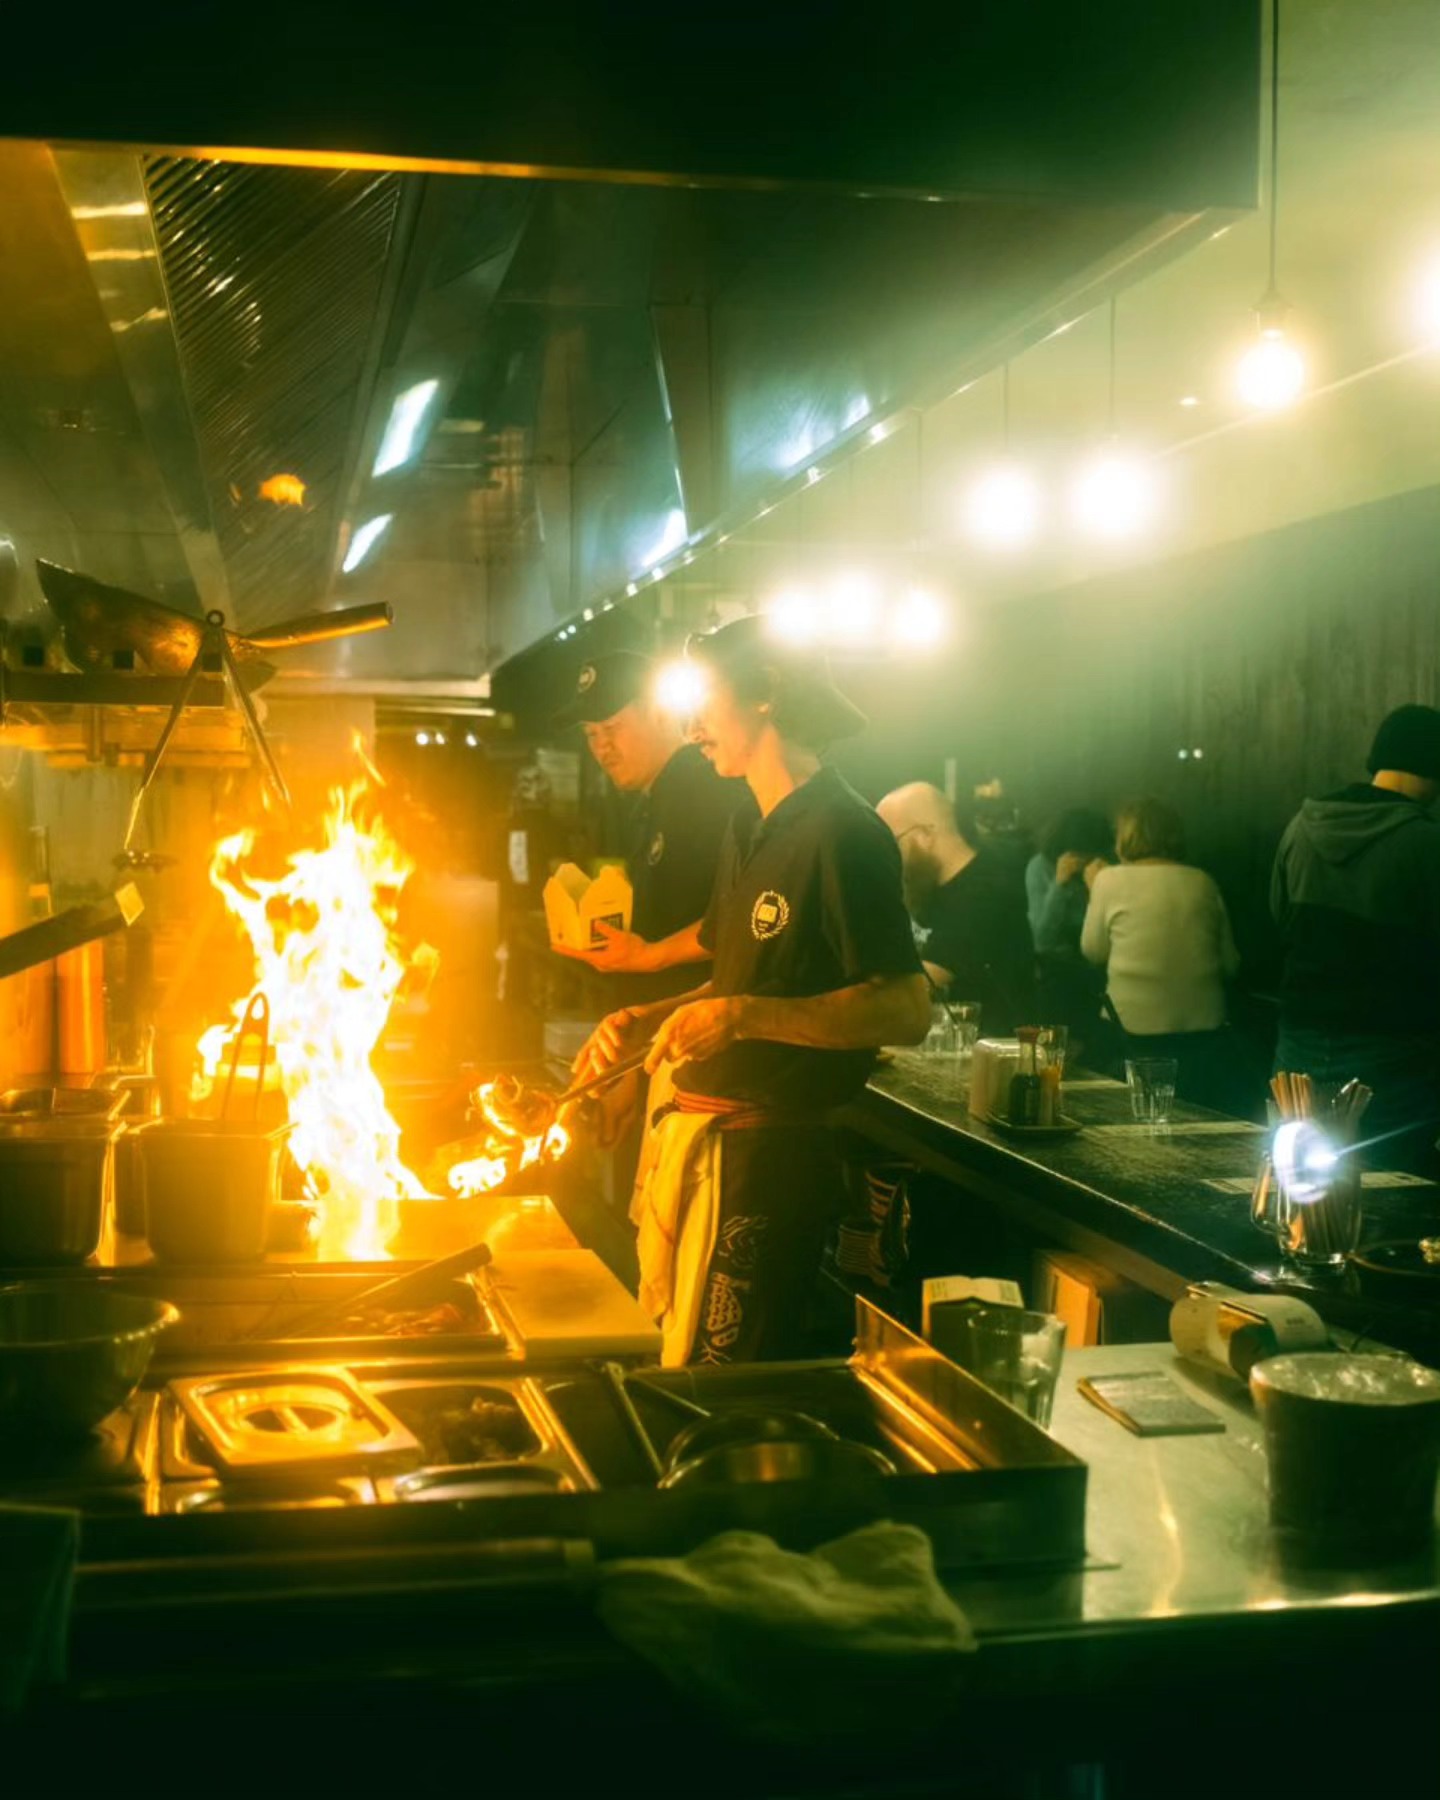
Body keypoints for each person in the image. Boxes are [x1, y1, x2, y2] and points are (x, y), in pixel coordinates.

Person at [573, 617, 930, 1365]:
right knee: (682, 1367)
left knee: (726, 1382)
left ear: (765, 692)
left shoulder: (845, 832)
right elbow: (739, 978)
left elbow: (905, 1007)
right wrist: (646, 1017)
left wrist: (741, 1017)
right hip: (706, 1146)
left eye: (704, 701)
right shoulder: (748, 824)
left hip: (769, 1162)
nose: (691, 728)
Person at [1271, 704, 1440, 1172]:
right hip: (1395, 1053)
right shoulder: (1427, 844)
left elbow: (1281, 922)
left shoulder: (1301, 828)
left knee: (1303, 1186)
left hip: (1299, 1043)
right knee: (1394, 1185)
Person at [551, 650, 752, 1007]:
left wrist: (652, 955)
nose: (601, 746)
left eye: (612, 728)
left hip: (699, 1021)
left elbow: (744, 914)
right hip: (659, 1020)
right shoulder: (650, 802)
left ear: (660, 714)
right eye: (591, 733)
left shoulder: (706, 788)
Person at [1081, 797, 1239, 1108]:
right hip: (1205, 1033)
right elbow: (1231, 964)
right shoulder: (1203, 881)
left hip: (1131, 1032)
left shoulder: (1108, 879)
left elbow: (1093, 951)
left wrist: (1092, 889)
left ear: (1125, 838)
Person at [875, 782, 1036, 1033]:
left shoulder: (985, 893)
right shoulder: (928, 887)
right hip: (954, 1042)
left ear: (925, 835)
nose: (887, 856)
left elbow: (919, 984)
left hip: (996, 1046)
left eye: (891, 843)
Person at [1025, 808, 1112, 1043]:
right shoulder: (1040, 867)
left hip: (1099, 969)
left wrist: (1099, 888)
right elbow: (1042, 939)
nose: (1083, 861)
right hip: (1058, 972)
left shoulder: (1104, 870)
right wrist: (1059, 884)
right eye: (1078, 854)